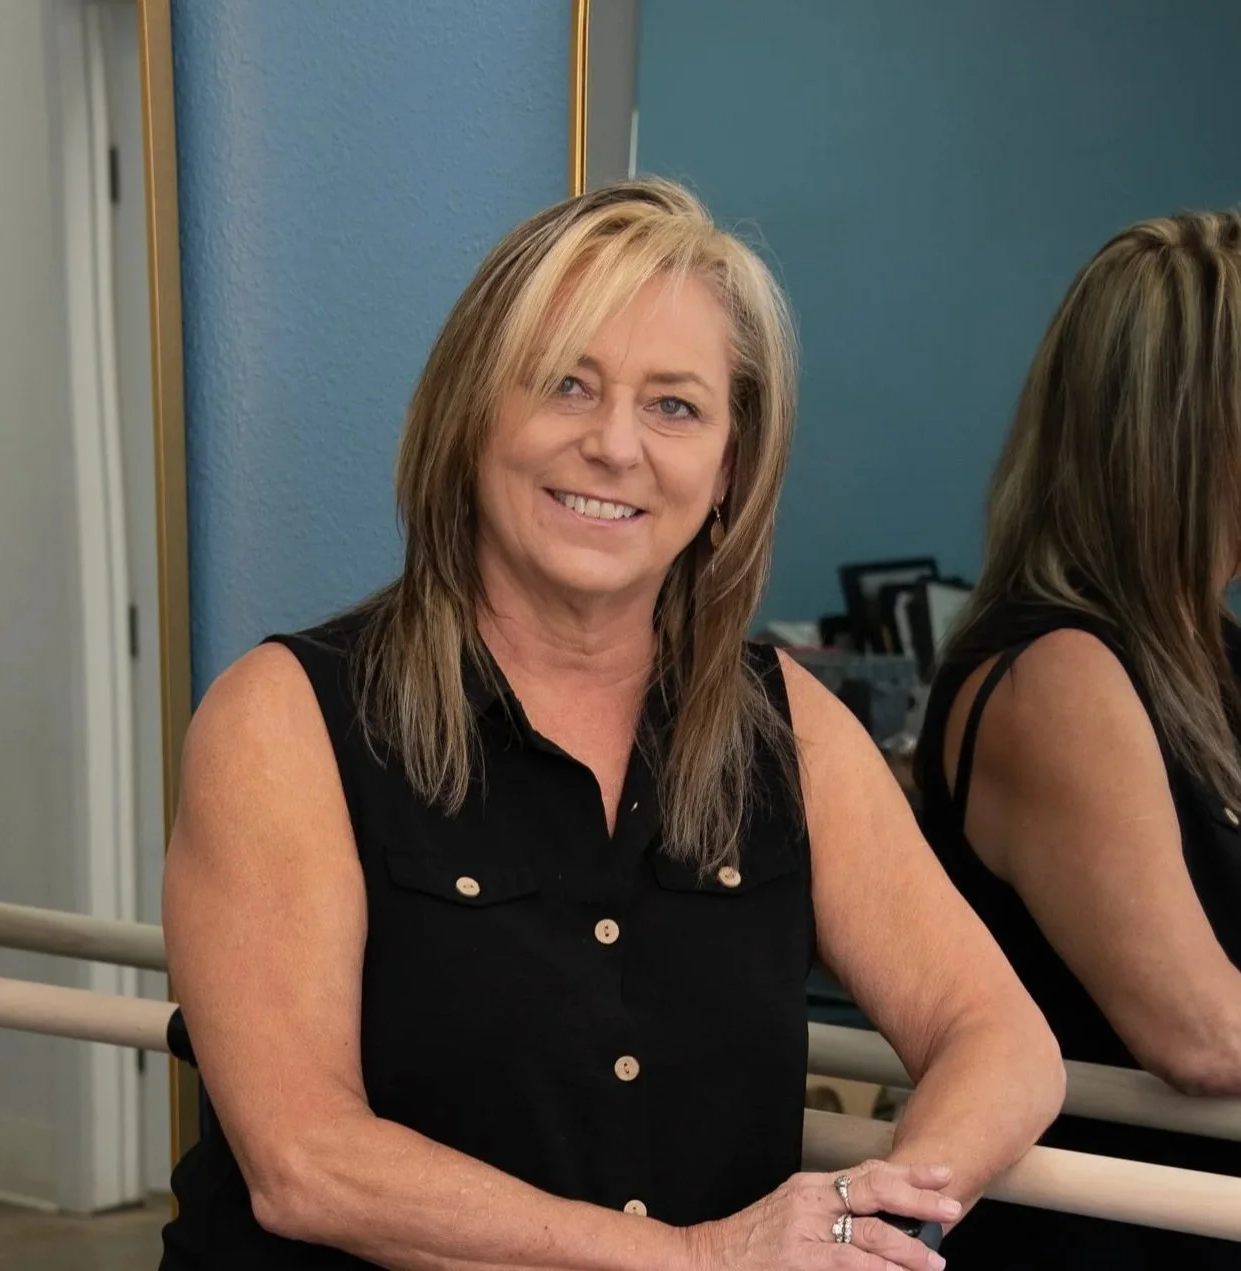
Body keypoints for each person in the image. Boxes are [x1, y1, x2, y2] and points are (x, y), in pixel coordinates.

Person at [159, 178, 1062, 1270]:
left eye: (674, 405)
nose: (615, 445)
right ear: (468, 412)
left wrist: (870, 1210)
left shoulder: (787, 726)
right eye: (565, 384)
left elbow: (999, 1036)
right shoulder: (284, 719)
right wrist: (697, 1257)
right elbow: (306, 1160)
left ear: (727, 466)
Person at [916, 211, 1241, 1268]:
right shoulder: (1055, 679)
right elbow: (1198, 1029)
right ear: (1194, 433)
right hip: (1118, 1229)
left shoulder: (1207, 649)